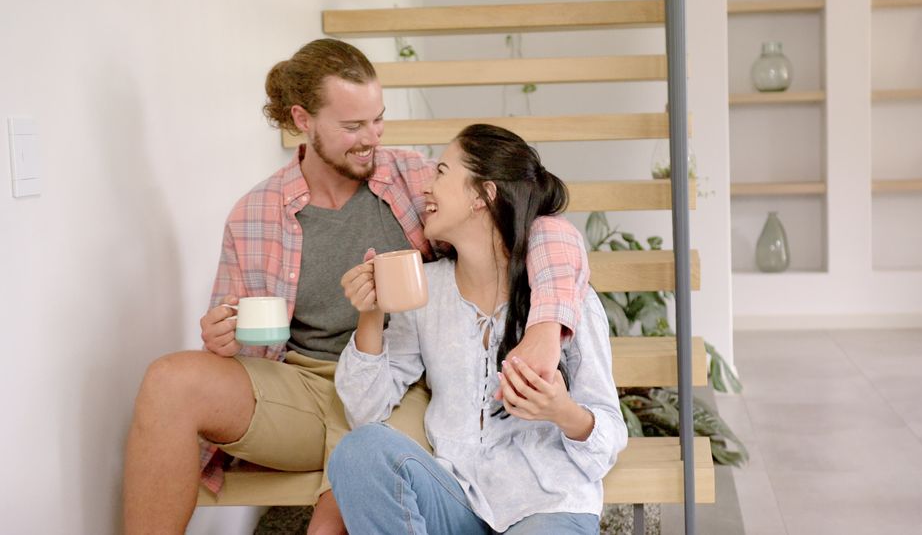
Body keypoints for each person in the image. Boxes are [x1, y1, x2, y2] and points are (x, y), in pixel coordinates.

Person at [122, 40, 591, 535]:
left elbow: (543, 228)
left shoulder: (416, 181)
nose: (371, 139)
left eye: (377, 120)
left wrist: (546, 328)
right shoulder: (255, 213)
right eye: (352, 126)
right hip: (301, 387)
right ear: (303, 119)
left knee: (331, 523)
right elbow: (238, 332)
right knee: (168, 382)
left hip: (403, 386)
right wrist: (221, 337)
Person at [329, 124, 628, 534]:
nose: (426, 188)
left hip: (547, 503)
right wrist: (371, 313)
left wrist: (561, 411)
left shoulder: (565, 298)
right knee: (359, 451)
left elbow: (607, 437)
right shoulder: (426, 290)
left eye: (441, 172)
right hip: (456, 497)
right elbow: (365, 410)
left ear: (482, 195)